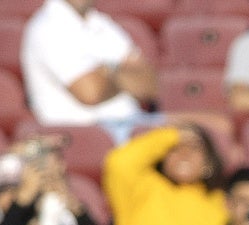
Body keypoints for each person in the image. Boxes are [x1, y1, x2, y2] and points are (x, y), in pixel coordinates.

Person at [103, 122, 227, 225]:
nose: (184, 154)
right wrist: (171, 136)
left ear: (209, 164)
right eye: (175, 148)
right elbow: (118, 163)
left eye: (194, 148)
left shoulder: (221, 203)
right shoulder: (143, 188)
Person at [20, 0, 157, 138]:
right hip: (86, 135)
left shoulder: (102, 22)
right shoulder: (46, 28)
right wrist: (122, 72)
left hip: (133, 123)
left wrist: (105, 73)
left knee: (177, 130)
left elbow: (150, 85)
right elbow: (91, 93)